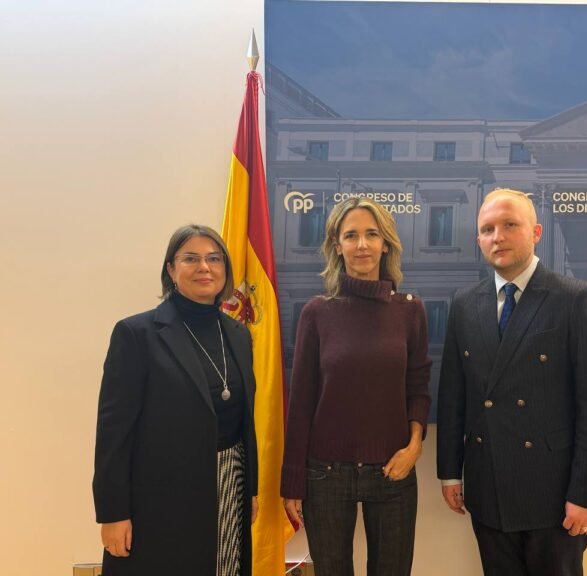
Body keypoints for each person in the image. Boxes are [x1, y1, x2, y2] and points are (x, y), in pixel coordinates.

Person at [437, 189, 587, 576]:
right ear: (478, 240)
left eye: (509, 225)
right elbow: (454, 397)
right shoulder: (465, 304)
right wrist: (450, 471)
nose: (497, 236)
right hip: (488, 487)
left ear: (536, 232)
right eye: (487, 229)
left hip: (555, 495)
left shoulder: (574, 299)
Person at [93, 224, 258, 576]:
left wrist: (250, 489)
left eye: (214, 259)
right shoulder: (136, 334)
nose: (204, 267)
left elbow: (244, 421)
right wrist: (113, 513)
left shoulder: (238, 334)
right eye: (191, 259)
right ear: (171, 269)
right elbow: (113, 435)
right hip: (160, 499)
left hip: (229, 485)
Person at [281, 197, 432, 576]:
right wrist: (292, 481)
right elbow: (300, 403)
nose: (362, 244)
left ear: (385, 244)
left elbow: (418, 386)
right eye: (351, 235)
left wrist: (414, 446)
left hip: (394, 470)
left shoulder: (410, 309)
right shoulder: (317, 312)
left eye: (371, 234)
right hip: (325, 475)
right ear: (337, 245)